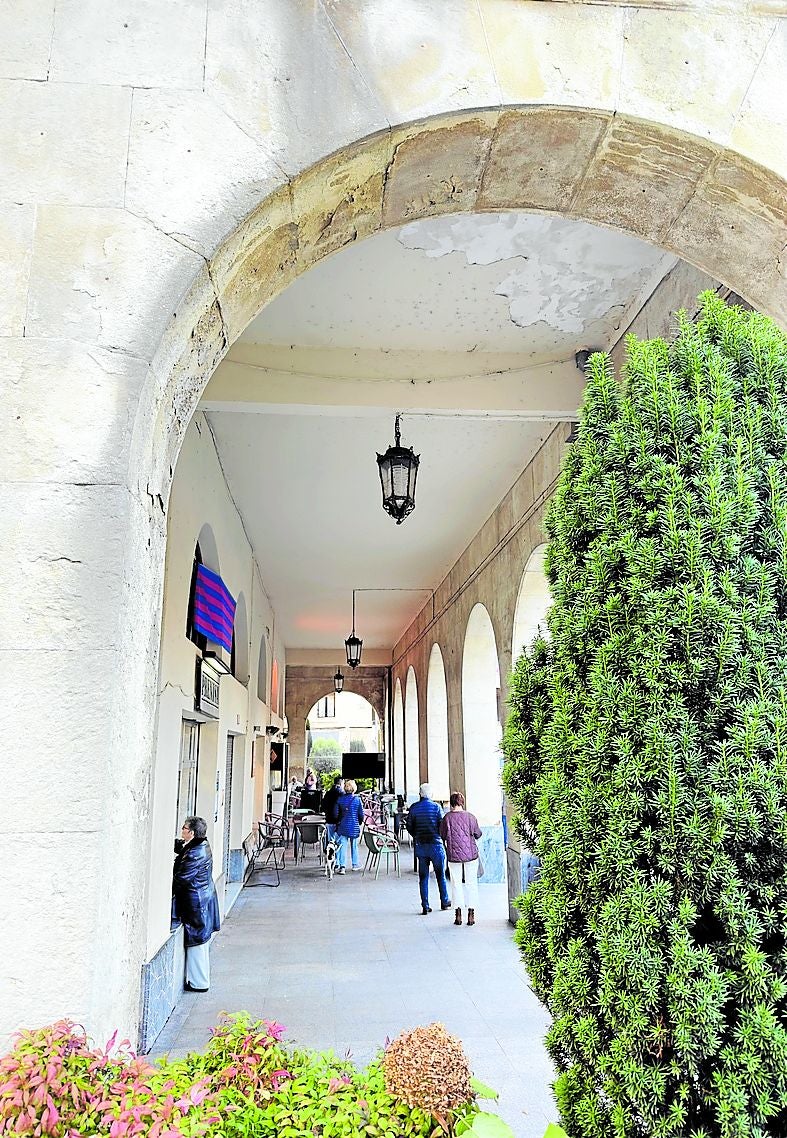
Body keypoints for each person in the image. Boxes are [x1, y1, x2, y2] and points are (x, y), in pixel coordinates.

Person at [172, 816, 221, 992]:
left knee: (197, 944)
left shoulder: (195, 852)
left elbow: (182, 878)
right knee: (199, 943)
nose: (182, 830)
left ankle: (199, 982)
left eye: (184, 828)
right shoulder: (200, 846)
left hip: (196, 903)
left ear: (191, 832)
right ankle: (196, 980)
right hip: (202, 899)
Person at [406, 783, 451, 915]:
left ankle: (425, 905)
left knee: (423, 877)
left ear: (420, 794)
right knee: (440, 875)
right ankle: (444, 901)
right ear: (431, 795)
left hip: (421, 846)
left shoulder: (414, 808)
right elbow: (442, 826)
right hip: (436, 845)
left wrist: (416, 836)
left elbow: (409, 826)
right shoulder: (437, 808)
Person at [439, 792, 482, 926]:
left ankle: (458, 915)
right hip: (471, 855)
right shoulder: (471, 817)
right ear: (462, 802)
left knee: (456, 884)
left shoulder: (447, 818)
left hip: (453, 856)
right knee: (471, 883)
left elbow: (443, 835)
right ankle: (471, 914)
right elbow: (478, 834)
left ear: (452, 803)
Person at [336, 778, 364, 873]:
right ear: (354, 788)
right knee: (354, 846)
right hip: (354, 826)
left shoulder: (340, 799)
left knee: (342, 846)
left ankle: (342, 866)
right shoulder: (357, 800)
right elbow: (361, 815)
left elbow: (337, 813)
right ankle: (355, 864)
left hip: (343, 826)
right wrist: (359, 822)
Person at [322, 775, 344, 841]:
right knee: (338, 841)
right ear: (341, 783)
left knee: (330, 839)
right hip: (339, 819)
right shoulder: (342, 793)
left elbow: (323, 805)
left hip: (329, 818)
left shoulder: (328, 793)